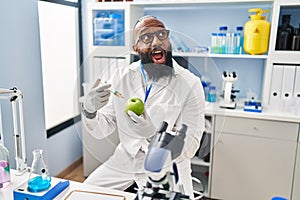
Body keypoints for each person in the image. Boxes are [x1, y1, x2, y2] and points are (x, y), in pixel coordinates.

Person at [82, 15, 205, 198]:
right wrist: (90, 111)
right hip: (126, 158)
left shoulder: (190, 83)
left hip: (167, 166)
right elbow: (103, 128)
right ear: (136, 48)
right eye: (146, 37)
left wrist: (153, 136)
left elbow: (191, 144)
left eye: (162, 34)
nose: (157, 41)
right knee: (85, 193)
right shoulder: (121, 76)